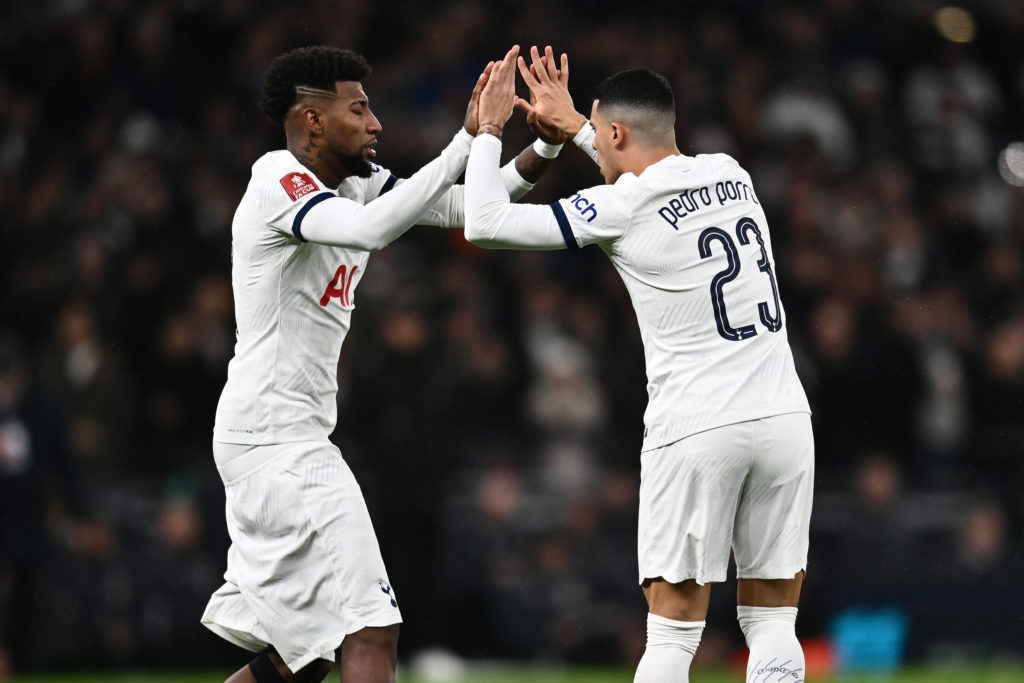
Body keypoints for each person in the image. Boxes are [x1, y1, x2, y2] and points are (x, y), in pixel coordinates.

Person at [201, 44, 564, 683]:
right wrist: (467, 136)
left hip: (290, 435)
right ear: (313, 121)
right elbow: (372, 231)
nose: (376, 124)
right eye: (359, 109)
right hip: (275, 439)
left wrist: (542, 148)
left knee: (301, 659)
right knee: (371, 625)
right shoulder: (277, 182)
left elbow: (473, 208)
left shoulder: (363, 184)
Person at [464, 46, 814, 682]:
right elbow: (638, 171)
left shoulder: (621, 208)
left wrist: (491, 131)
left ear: (616, 132)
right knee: (770, 624)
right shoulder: (731, 172)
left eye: (602, 134)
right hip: (785, 417)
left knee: (672, 637)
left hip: (698, 427)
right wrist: (576, 125)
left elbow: (484, 223)